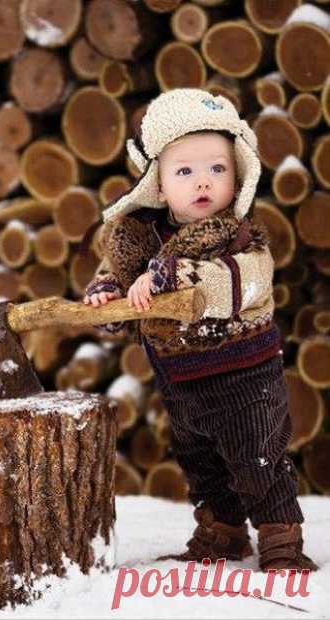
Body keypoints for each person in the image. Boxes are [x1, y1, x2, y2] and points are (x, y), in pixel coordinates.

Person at [82, 88, 318, 572]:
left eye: (217, 168)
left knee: (257, 458)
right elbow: (121, 274)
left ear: (236, 176)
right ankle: (223, 531)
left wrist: (175, 274)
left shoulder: (240, 236)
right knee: (202, 461)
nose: (203, 182)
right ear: (159, 185)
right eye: (184, 171)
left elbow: (243, 284)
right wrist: (108, 292)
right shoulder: (141, 236)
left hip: (245, 375)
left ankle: (280, 539)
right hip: (181, 379)